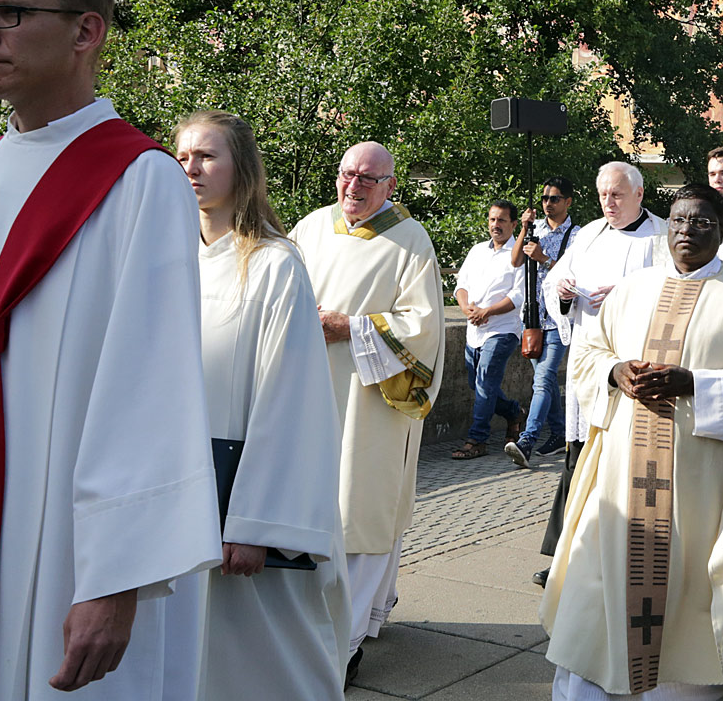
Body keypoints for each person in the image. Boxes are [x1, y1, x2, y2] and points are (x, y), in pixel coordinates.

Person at [0, 0, 221, 697]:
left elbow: (152, 390)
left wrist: (117, 580)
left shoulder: (141, 181)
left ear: (85, 31)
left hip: (65, 546)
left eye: (8, 13)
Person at [540, 183, 723, 701]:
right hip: (620, 476)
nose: (687, 232)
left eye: (701, 222)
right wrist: (615, 372)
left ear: (721, 231)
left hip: (701, 486)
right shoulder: (633, 289)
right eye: (678, 221)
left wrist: (695, 383)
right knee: (603, 585)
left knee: (689, 591)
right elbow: (589, 351)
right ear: (667, 226)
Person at [174, 111, 350, 701]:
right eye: (182, 156)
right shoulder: (169, 259)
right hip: (179, 488)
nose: (190, 167)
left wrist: (256, 522)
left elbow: (291, 398)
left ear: (240, 168)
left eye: (206, 156)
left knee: (263, 658)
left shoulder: (275, 264)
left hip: (242, 500)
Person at [289, 141, 445, 682]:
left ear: (391, 186)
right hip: (308, 395)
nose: (354, 186)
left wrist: (349, 327)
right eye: (348, 174)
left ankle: (347, 639)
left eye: (369, 178)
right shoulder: (309, 228)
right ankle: (312, 623)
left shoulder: (410, 240)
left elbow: (423, 330)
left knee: (362, 512)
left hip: (371, 403)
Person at [535, 161, 667, 587]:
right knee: (579, 456)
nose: (609, 203)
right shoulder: (588, 234)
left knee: (619, 462)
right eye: (604, 195)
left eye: (617, 195)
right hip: (590, 362)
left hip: (633, 365)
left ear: (640, 194)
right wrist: (561, 290)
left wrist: (629, 294)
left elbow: (674, 292)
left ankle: (616, 556)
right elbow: (553, 278)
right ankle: (564, 555)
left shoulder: (662, 237)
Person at [506, 177, 581, 466]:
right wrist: (524, 227)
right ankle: (561, 433)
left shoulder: (575, 235)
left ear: (568, 202)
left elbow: (573, 273)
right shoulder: (534, 229)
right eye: (545, 198)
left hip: (559, 318)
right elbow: (514, 261)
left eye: (554, 199)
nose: (548, 204)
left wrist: (543, 258)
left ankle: (527, 440)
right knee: (545, 381)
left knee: (543, 379)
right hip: (533, 317)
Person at [451, 200, 525, 459]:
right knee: (478, 384)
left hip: (502, 330)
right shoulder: (477, 250)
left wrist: (488, 312)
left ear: (514, 224)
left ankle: (477, 439)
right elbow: (462, 284)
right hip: (474, 330)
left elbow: (518, 296)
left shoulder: (519, 254)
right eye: (493, 219)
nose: (496, 225)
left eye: (502, 220)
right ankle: (513, 412)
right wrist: (465, 308)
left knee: (484, 383)